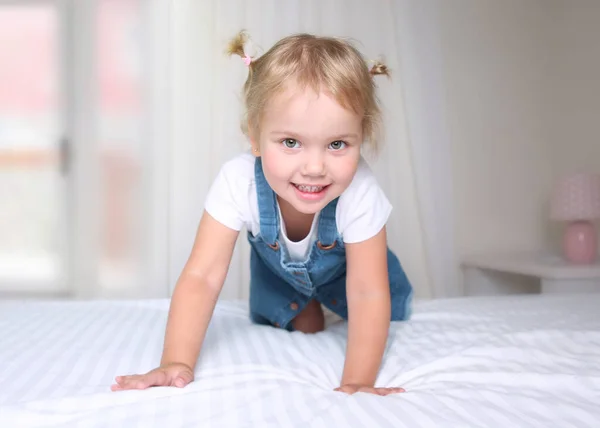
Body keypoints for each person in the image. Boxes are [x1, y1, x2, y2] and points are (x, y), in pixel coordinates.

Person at [111, 31, 413, 396]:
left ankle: (320, 305)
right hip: (281, 281)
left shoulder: (361, 191)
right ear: (254, 136)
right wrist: (177, 360)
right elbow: (203, 276)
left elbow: (366, 291)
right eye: (290, 142)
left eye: (337, 144)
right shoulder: (239, 181)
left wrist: (357, 383)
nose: (314, 167)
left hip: (350, 279)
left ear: (360, 137)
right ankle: (305, 307)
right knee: (301, 323)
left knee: (378, 309)